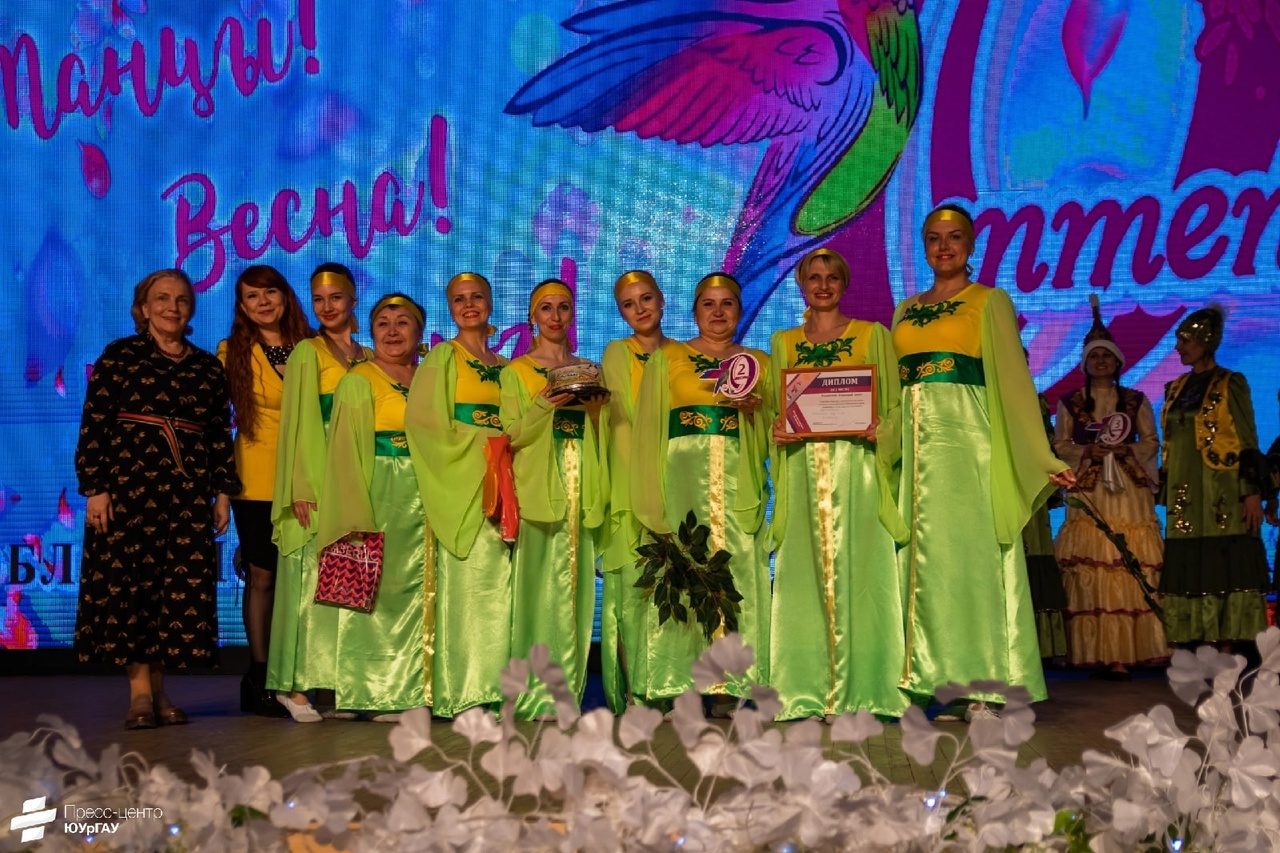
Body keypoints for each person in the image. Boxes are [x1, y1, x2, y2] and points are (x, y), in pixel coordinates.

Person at [891, 205, 1072, 721]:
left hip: (968, 451)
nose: (943, 247)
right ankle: (937, 684)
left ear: (971, 245)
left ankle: (983, 687)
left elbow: (1013, 382)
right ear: (924, 246)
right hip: (915, 456)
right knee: (924, 568)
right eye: (933, 238)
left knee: (971, 566)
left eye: (954, 237)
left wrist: (1040, 455)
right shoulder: (904, 310)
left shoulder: (989, 301)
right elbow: (893, 388)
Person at [75, 269, 240, 729]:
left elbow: (218, 435)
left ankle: (162, 689)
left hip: (185, 497)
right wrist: (95, 488)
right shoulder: (120, 356)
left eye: (182, 299)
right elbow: (94, 424)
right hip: (127, 494)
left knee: (173, 595)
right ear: (143, 308)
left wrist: (222, 494)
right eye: (162, 298)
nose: (172, 307)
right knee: (132, 591)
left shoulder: (207, 367)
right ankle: (140, 695)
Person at [768, 248, 910, 720]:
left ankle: (865, 690)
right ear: (801, 285)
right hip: (803, 473)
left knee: (863, 576)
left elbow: (895, 408)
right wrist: (777, 431)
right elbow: (776, 411)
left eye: (832, 277)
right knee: (803, 579)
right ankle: (806, 690)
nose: (823, 285)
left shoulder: (872, 335)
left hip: (858, 472)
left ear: (844, 283)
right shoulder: (783, 343)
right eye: (814, 277)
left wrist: (882, 430)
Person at [631, 272, 771, 706]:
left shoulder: (759, 363)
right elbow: (649, 431)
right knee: (684, 573)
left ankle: (731, 686)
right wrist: (651, 498)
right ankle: (680, 683)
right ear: (694, 312)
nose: (718, 312)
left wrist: (755, 413)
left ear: (740, 311)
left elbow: (775, 432)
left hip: (736, 481)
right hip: (681, 483)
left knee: (736, 573)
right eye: (708, 304)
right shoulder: (667, 359)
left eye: (727, 303)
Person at [315, 293, 433, 719]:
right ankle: (377, 692)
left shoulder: (428, 378)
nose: (393, 331)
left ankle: (415, 688)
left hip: (425, 493)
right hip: (381, 490)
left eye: (403, 322)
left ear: (419, 332)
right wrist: (354, 512)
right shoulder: (359, 380)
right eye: (383, 323)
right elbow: (345, 453)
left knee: (418, 596)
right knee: (378, 593)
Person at [499, 279, 609, 720]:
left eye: (563, 307)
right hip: (539, 484)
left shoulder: (590, 369)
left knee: (577, 591)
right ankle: (532, 693)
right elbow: (513, 434)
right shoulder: (517, 372)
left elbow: (599, 432)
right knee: (536, 592)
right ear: (532, 317)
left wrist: (597, 410)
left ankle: (568, 694)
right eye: (546, 308)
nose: (555, 316)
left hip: (582, 481)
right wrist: (545, 403)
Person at [406, 273, 513, 717]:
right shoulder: (442, 357)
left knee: (501, 591)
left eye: (477, 297)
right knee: (469, 586)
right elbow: (424, 423)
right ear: (450, 308)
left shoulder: (507, 365)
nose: (469, 305)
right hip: (466, 481)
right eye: (459, 299)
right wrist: (478, 448)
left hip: (503, 481)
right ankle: (465, 692)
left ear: (491, 303)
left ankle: (494, 690)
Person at [267, 262, 370, 721]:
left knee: (345, 582)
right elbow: (299, 422)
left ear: (352, 300)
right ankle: (294, 687)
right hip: (317, 478)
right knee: (308, 583)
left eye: (336, 298)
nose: (327, 307)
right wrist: (301, 485)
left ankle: (333, 685)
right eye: (319, 300)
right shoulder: (307, 353)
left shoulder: (368, 356)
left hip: (354, 479)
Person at [217, 265, 313, 717]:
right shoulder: (231, 351)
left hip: (307, 478)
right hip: (255, 478)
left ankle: (302, 675)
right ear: (242, 306)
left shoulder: (312, 346)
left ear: (285, 296)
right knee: (263, 577)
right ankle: (259, 677)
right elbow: (218, 424)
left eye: (270, 292)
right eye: (252, 296)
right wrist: (220, 491)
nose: (263, 302)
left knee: (304, 581)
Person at [1053, 299, 1167, 677]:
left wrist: (1125, 450)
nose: (1100, 361)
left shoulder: (1136, 400)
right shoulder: (1069, 403)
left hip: (1127, 492)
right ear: (1084, 363)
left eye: (1106, 355)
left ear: (1118, 361)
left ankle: (1131, 650)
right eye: (1094, 356)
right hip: (1091, 487)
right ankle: (1096, 650)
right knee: (1092, 561)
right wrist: (1088, 451)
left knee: (1127, 558)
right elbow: (1060, 445)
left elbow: (1151, 441)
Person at [1158, 307, 1273, 648]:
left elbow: (1247, 439)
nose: (1178, 348)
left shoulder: (1230, 382)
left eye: (1185, 341)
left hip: (1221, 486)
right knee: (1189, 558)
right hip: (1185, 488)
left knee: (1224, 558)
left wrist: (1251, 491)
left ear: (1205, 342)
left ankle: (1227, 643)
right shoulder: (1175, 388)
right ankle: (1197, 639)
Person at [600, 270, 671, 712]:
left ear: (662, 301)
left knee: (672, 592)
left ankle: (671, 689)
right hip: (630, 487)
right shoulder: (617, 352)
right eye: (629, 304)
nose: (640, 308)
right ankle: (638, 695)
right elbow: (624, 418)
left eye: (646, 298)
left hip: (673, 484)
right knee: (633, 594)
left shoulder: (682, 354)